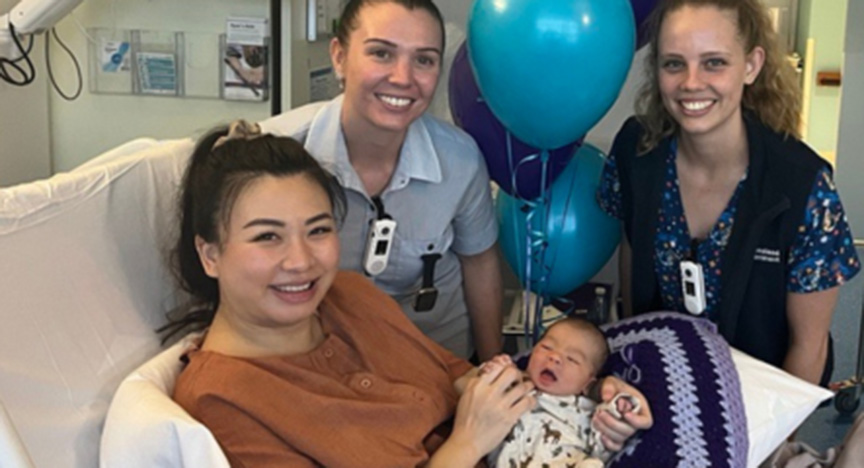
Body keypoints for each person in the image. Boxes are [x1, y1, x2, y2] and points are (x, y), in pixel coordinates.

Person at [165, 123, 652, 467]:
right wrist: (465, 442)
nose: (301, 261)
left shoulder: (349, 295)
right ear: (210, 254)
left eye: (317, 230)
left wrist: (584, 401)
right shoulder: (223, 399)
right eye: (267, 236)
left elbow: (449, 372)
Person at [597, 0, 860, 387]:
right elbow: (632, 259)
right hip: (659, 390)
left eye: (714, 62)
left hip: (763, 401)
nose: (691, 82)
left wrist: (772, 443)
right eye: (674, 63)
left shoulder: (804, 185)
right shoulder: (637, 151)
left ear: (751, 65)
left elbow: (810, 346)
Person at [258, 0, 503, 361]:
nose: (403, 78)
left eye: (424, 60)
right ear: (339, 57)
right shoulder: (272, 156)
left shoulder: (460, 160)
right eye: (381, 53)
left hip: (436, 366)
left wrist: (491, 366)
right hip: (317, 366)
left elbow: (480, 263)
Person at [485, 318, 640, 468]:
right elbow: (480, 401)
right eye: (546, 347)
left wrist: (620, 407)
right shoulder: (514, 384)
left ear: (588, 384)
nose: (554, 357)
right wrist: (495, 370)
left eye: (572, 359)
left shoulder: (586, 410)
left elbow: (605, 440)